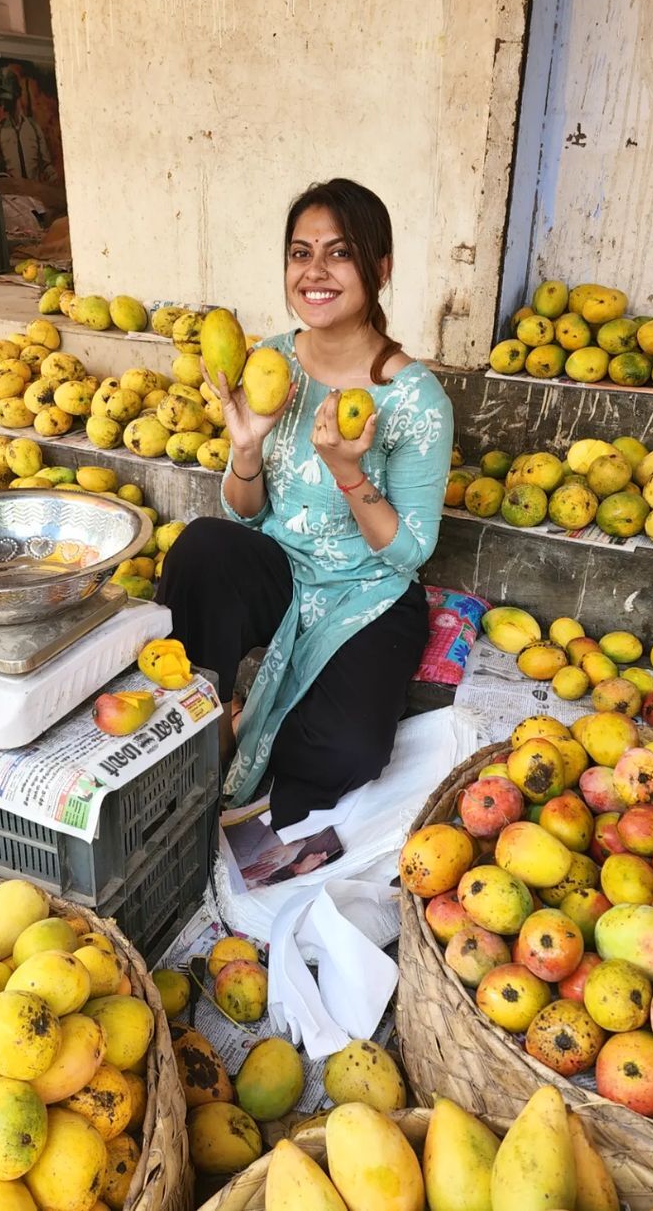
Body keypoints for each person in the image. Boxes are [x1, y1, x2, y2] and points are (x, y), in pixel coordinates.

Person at [157, 178, 453, 831]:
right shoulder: (270, 363)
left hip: (365, 590)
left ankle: (239, 734)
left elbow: (408, 552)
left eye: (338, 253)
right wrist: (246, 448)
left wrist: (348, 472)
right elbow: (244, 517)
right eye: (300, 253)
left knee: (349, 752)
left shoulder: (415, 400)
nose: (314, 272)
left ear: (379, 268)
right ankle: (192, 718)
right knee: (204, 544)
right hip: (281, 568)